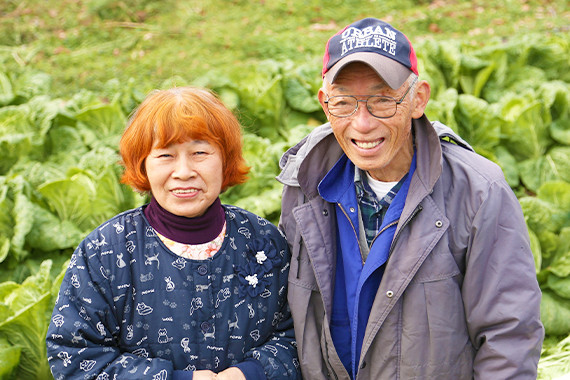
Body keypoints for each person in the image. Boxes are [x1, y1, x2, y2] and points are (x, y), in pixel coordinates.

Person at [277, 17, 544, 379]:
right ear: (325, 104)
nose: (363, 123)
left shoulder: (478, 191)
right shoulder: (303, 181)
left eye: (383, 101)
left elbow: (509, 336)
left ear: (418, 99)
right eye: (344, 103)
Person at [46, 86, 301, 380]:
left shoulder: (264, 241)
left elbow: (299, 335)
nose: (184, 171)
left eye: (200, 152)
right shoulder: (105, 251)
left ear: (225, 159)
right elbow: (74, 356)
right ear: (142, 164)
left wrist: (252, 373)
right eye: (166, 155)